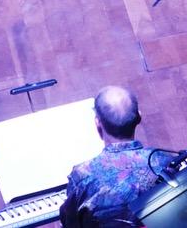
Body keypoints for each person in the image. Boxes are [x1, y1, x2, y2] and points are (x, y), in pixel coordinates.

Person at [61, 86, 178, 228]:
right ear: (139, 117)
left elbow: (70, 223)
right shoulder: (164, 161)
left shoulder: (82, 175)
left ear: (98, 123)